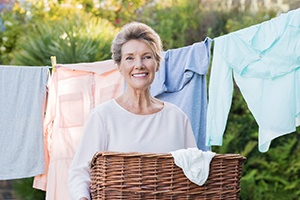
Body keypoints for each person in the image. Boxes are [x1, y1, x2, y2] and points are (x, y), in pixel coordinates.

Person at [68, 21, 197, 200]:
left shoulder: (177, 118)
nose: (139, 65)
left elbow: (196, 171)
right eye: (130, 58)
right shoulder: (103, 117)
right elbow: (80, 174)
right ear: (119, 66)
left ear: (158, 64)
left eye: (147, 57)